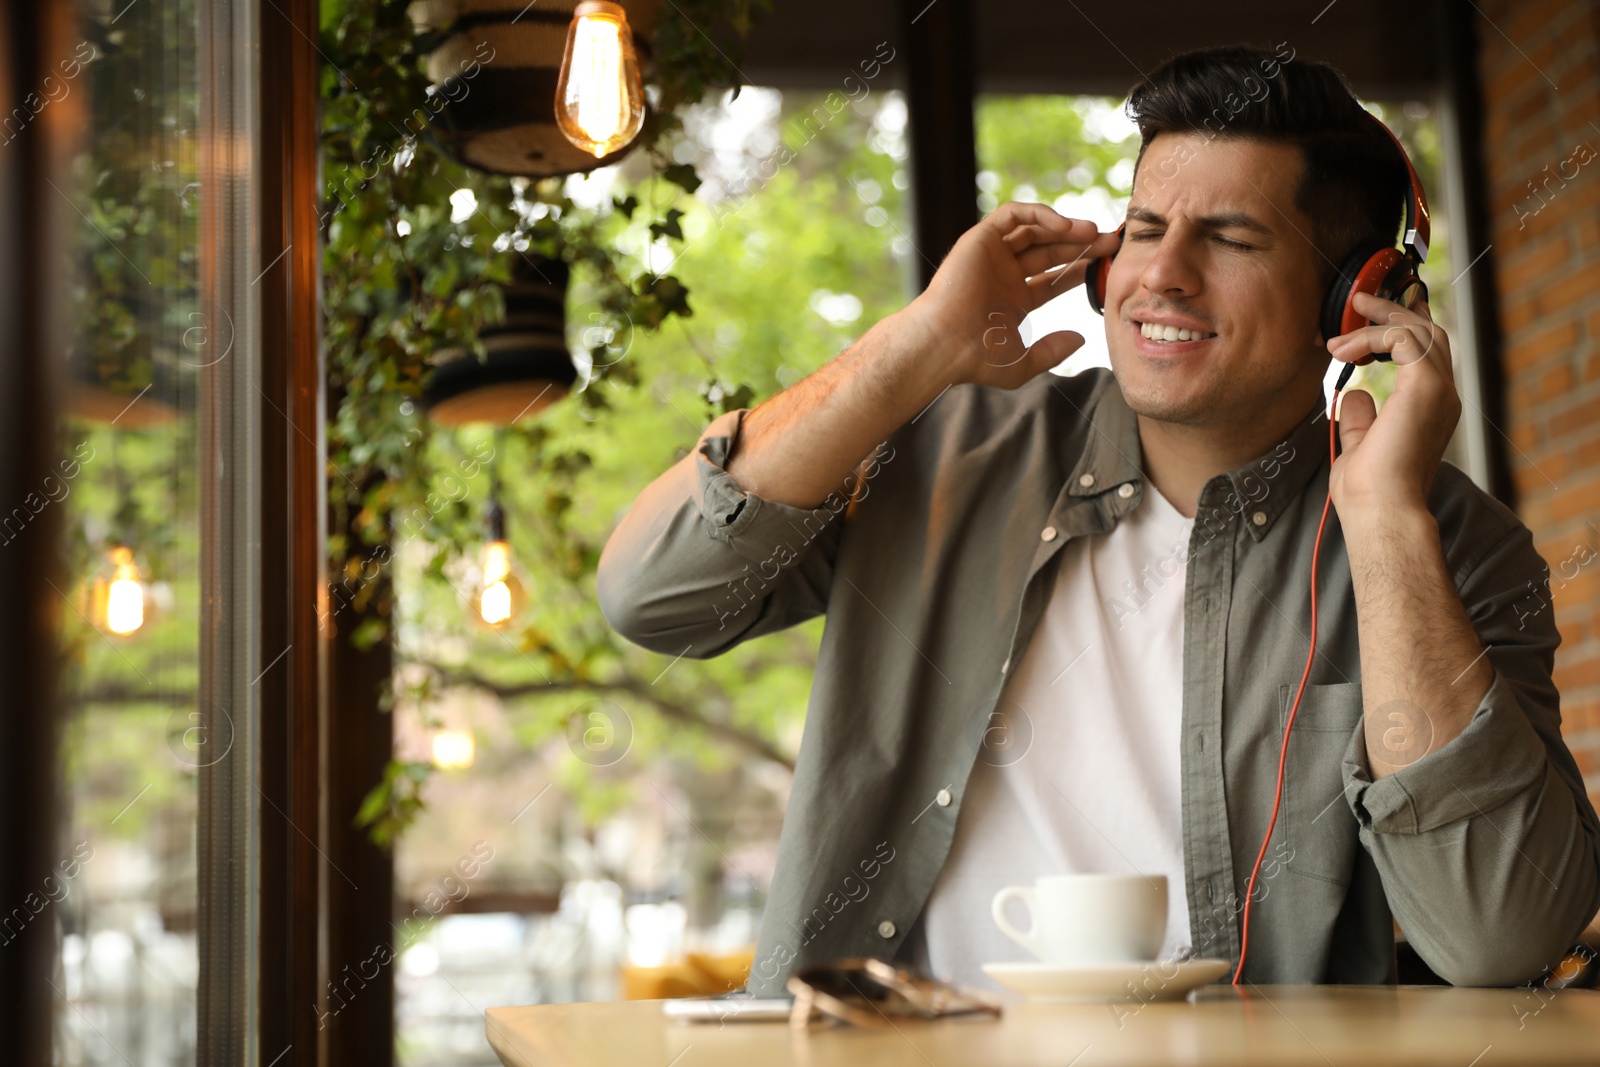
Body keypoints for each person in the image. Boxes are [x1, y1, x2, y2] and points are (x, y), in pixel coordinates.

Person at [595, 45, 1600, 992]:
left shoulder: (1450, 548)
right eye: (1146, 228)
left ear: (1354, 299)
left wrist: (1383, 527)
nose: (1162, 272)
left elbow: (1499, 933)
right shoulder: (945, 455)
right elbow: (655, 597)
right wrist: (920, 343)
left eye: (1231, 238)